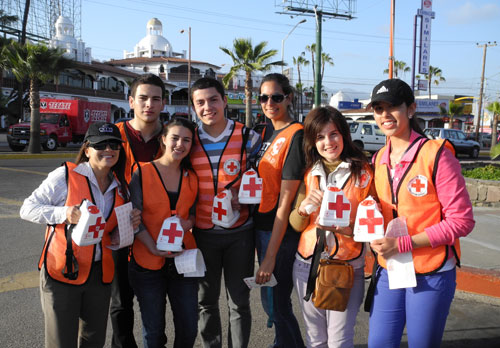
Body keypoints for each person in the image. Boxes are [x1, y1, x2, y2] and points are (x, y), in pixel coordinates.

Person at [366, 79, 475, 348]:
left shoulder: (437, 155)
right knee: (379, 343)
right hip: (390, 267)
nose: (385, 115)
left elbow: (462, 221)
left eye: (393, 107)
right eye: (379, 109)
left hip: (431, 269)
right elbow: (378, 211)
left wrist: (403, 243)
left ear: (411, 109)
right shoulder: (378, 158)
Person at [20, 122, 141, 348]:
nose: (108, 149)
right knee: (61, 342)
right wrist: (65, 213)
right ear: (86, 150)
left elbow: (111, 236)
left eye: (114, 144)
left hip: (99, 276)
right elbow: (27, 209)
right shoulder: (66, 175)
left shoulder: (121, 187)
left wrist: (127, 227)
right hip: (62, 271)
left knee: (93, 341)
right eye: (100, 145)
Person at [289, 106, 375, 348]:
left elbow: (374, 224)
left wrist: (347, 228)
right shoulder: (308, 173)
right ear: (312, 141)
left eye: (334, 134)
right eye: (320, 137)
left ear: (344, 135)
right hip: (307, 264)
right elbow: (296, 225)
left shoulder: (365, 173)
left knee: (339, 340)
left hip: (346, 266)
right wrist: (303, 209)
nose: (328, 142)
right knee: (315, 339)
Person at [190, 77, 262, 348]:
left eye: (213, 100)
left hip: (240, 233)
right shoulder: (189, 139)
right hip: (203, 234)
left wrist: (242, 194)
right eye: (200, 102)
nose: (207, 107)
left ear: (224, 100)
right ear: (194, 107)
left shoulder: (248, 137)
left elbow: (263, 180)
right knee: (206, 302)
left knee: (239, 302)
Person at [128, 117, 199, 348]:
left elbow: (194, 215)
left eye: (186, 140)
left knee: (189, 326)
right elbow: (134, 219)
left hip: (184, 261)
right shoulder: (141, 172)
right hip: (147, 262)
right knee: (154, 331)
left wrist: (187, 224)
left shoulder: (192, 177)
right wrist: (153, 247)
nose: (180, 144)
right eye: (175, 138)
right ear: (163, 140)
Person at [112, 73, 166, 348]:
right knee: (121, 302)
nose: (149, 104)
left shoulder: (173, 138)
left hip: (159, 230)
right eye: (143, 98)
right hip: (119, 229)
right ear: (131, 101)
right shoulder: (114, 135)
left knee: (156, 303)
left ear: (163, 103)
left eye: (155, 98)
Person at [254, 73, 306, 348]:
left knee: (276, 303)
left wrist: (270, 256)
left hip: (279, 233)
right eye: (264, 97)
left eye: (276, 97)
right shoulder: (266, 132)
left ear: (289, 98)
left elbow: (286, 201)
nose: (269, 102)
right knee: (272, 302)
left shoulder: (295, 135)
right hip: (260, 225)